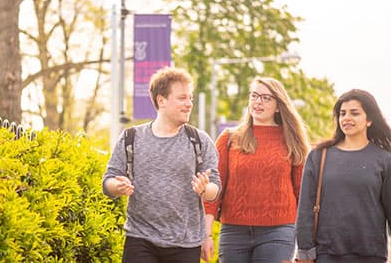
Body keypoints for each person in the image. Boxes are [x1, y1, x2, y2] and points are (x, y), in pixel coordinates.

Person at [102, 66, 222, 263]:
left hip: (185, 243)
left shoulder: (199, 140)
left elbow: (215, 187)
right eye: (182, 98)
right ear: (161, 100)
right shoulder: (131, 138)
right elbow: (108, 182)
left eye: (190, 98)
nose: (189, 104)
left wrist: (204, 189)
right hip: (140, 239)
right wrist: (118, 186)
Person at [202, 76, 310, 263]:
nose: (258, 102)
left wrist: (307, 244)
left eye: (266, 98)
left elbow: (302, 193)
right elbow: (214, 190)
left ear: (278, 105)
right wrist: (206, 235)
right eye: (254, 96)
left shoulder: (292, 141)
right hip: (234, 231)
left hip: (279, 230)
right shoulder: (229, 138)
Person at [295, 89, 391, 263]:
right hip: (326, 253)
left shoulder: (385, 160)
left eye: (354, 113)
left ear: (369, 120)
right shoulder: (318, 156)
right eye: (342, 113)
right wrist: (305, 250)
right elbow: (305, 208)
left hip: (371, 254)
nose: (346, 118)